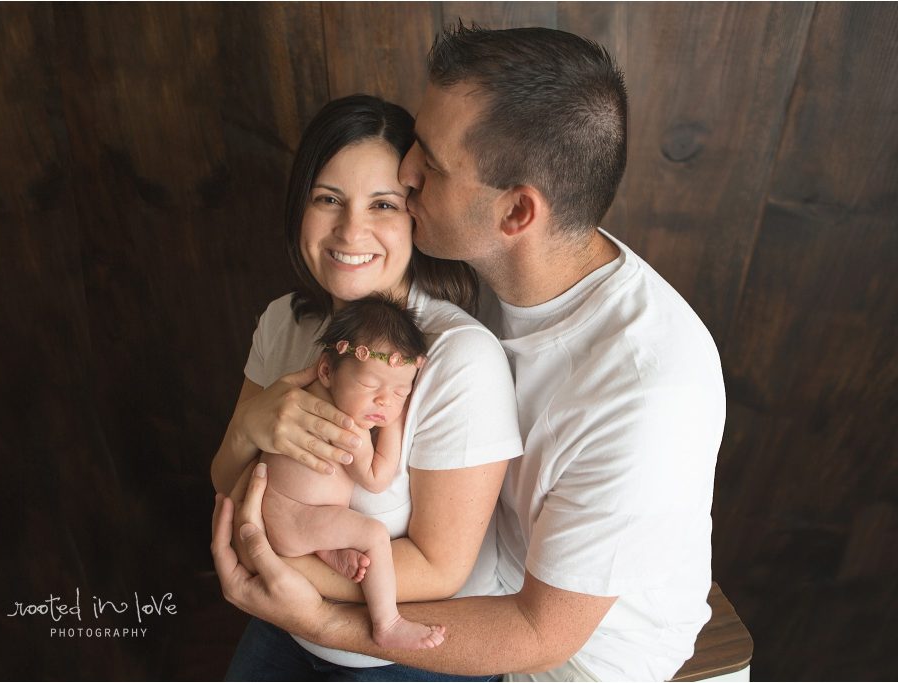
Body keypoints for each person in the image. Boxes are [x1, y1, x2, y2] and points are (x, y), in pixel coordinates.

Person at [213, 25, 726, 682]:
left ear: (516, 214)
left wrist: (313, 610)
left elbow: (539, 632)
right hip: (462, 592)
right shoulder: (483, 269)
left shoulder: (648, 392)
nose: (406, 170)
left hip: (577, 662)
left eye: (429, 158)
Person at [210, 94, 522, 680]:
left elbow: (439, 567)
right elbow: (226, 482)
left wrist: (282, 575)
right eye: (328, 198)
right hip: (282, 622)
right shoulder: (285, 321)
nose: (350, 229)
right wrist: (250, 428)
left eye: (382, 204)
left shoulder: (456, 359)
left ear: (416, 216)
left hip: (410, 653)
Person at [253, 296, 445, 651]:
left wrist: (382, 398)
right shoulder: (348, 430)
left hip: (282, 513)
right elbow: (375, 478)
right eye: (372, 387)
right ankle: (387, 622)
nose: (385, 402)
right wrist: (397, 421)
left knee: (346, 531)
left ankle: (329, 552)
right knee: (373, 534)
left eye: (401, 392)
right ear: (326, 371)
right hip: (294, 518)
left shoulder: (298, 397)